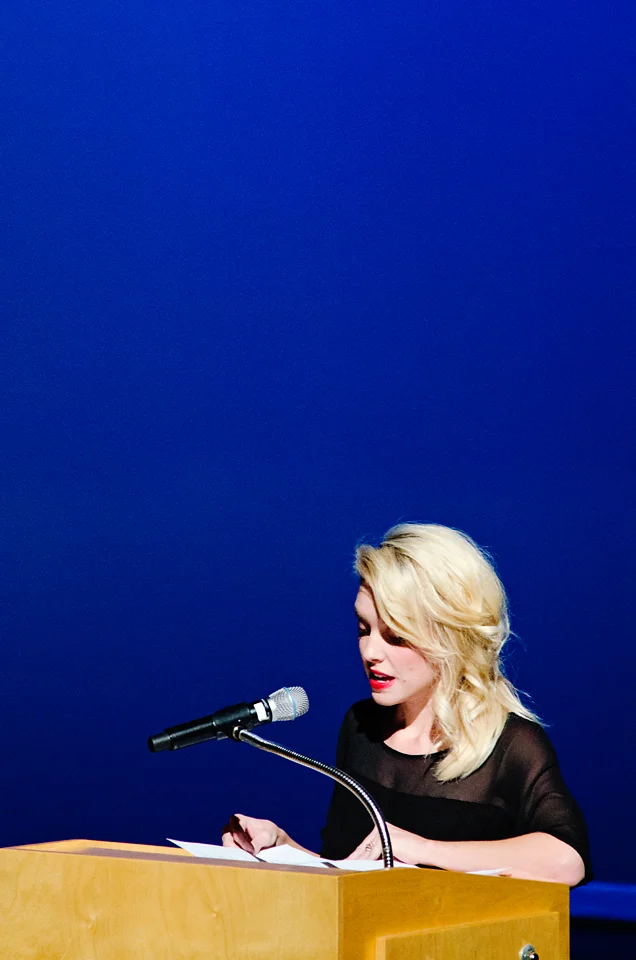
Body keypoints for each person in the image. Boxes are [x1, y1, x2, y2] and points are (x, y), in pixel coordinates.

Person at [222, 523, 591, 885]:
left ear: (451, 636)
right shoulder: (361, 727)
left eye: (396, 636)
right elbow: (354, 876)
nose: (370, 652)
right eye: (363, 629)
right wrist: (282, 849)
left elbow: (566, 861)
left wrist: (421, 849)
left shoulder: (511, 744)